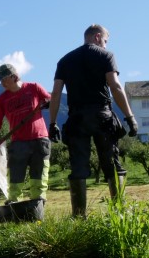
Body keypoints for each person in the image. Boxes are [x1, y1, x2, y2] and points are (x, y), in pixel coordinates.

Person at [47, 24, 138, 217]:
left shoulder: (65, 60)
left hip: (76, 119)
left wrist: (52, 123)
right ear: (97, 37)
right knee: (112, 164)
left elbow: (55, 93)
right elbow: (115, 86)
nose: (105, 44)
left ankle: (79, 217)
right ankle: (119, 213)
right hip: (101, 116)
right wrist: (130, 117)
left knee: (78, 168)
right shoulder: (106, 56)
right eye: (105, 40)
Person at [0, 64, 52, 209]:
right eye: (0, 80)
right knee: (15, 178)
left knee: (39, 177)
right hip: (18, 143)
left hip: (40, 140)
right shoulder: (1, 99)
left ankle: (37, 207)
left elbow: (50, 100)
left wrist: (48, 103)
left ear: (14, 77)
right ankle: (14, 208)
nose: (2, 83)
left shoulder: (34, 88)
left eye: (4, 79)